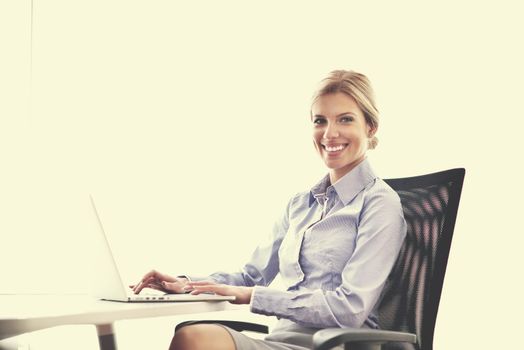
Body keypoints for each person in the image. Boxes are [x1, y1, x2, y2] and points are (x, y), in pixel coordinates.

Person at [131, 70, 407, 350]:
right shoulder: (301, 204)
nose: (329, 133)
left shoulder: (380, 203)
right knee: (197, 334)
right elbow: (250, 276)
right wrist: (185, 284)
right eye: (320, 121)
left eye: (345, 119)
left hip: (334, 345)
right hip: (281, 341)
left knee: (197, 339)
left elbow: (350, 308)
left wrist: (253, 296)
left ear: (370, 127)